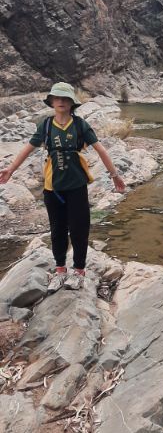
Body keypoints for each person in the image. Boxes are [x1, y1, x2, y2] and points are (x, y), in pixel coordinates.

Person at [0, 82, 126, 292]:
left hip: (77, 186)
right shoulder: (46, 126)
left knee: (79, 230)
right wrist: (10, 169)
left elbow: (101, 150)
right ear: (51, 101)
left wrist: (114, 175)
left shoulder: (80, 125)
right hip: (52, 188)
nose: (60, 101)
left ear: (71, 103)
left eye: (65, 98)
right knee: (57, 231)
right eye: (57, 98)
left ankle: (78, 272)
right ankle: (60, 271)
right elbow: (28, 148)